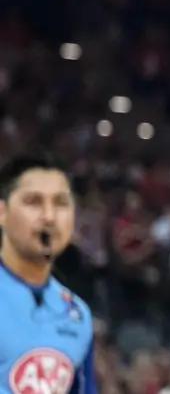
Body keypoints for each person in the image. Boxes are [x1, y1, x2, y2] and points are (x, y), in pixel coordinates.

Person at [0, 154, 97, 394]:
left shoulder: (79, 315)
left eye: (61, 203)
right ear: (2, 212)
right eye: (33, 202)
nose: (49, 217)